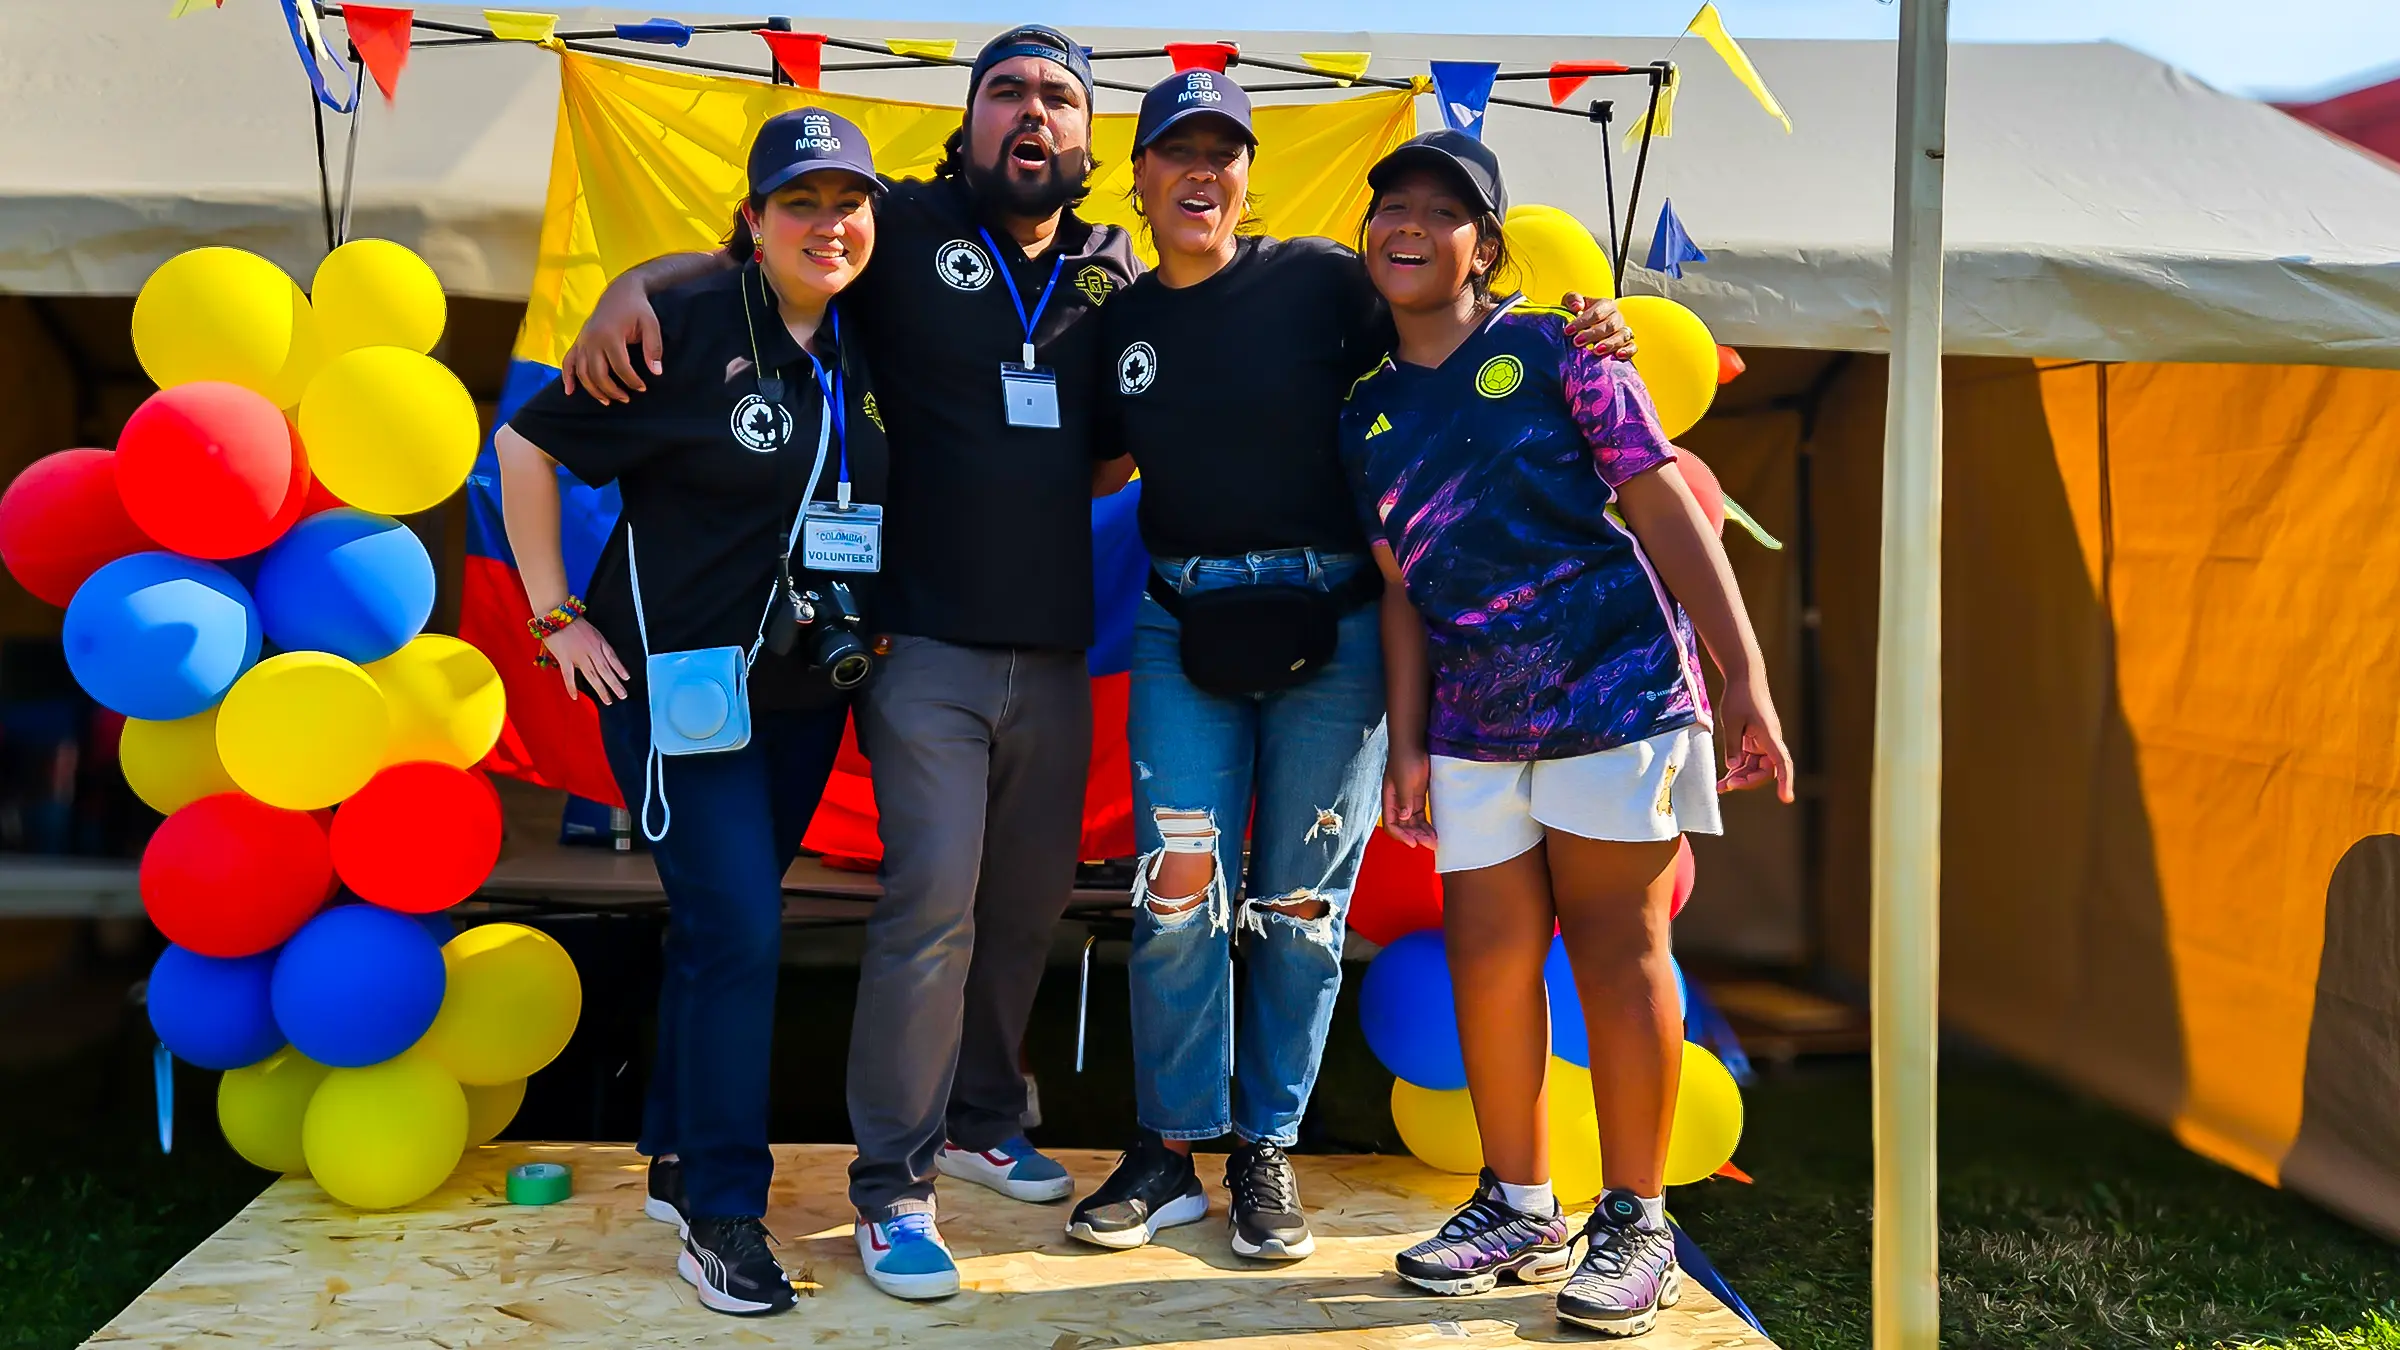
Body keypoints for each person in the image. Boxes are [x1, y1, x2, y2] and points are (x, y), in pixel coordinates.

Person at [556, 26, 1137, 1302]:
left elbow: (1111, 439)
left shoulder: (1108, 267)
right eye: (1005, 94)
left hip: (952, 661)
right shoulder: (903, 226)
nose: (1031, 115)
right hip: (868, 649)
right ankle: (823, 1194)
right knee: (861, 913)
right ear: (968, 118)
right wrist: (627, 291)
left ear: (1091, 134)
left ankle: (937, 1122)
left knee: (985, 909)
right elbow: (753, 265)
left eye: (1058, 98)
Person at [1067, 73, 1635, 1263]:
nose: (1201, 173)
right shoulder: (1116, 324)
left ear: (1246, 176)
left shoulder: (1324, 281)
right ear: (1141, 177)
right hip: (1183, 626)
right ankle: (1170, 1149)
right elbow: (1094, 466)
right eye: (1178, 153)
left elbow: (1452, 341)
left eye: (1224, 152)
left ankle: (1264, 1149)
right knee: (1176, 893)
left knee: (1301, 908)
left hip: (1335, 629)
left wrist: (1587, 337)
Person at [1339, 130, 1793, 1338]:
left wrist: (1742, 675)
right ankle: (1522, 1202)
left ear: (1484, 250)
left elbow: (1663, 509)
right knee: (1487, 950)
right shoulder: (1366, 412)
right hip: (1477, 718)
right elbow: (1398, 585)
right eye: (1393, 208)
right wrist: (1412, 735)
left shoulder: (1560, 350)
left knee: (1614, 940)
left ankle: (1637, 1218)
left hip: (1618, 690)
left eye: (1444, 213)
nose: (1411, 227)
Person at [496, 107, 892, 1318]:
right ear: (754, 220)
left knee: (727, 928)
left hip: (801, 698)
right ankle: (723, 1213)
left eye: (847, 204)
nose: (827, 226)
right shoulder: (686, 324)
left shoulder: (879, 337)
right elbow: (523, 442)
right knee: (744, 937)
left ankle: (674, 1147)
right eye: (799, 205)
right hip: (683, 692)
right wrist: (556, 616)